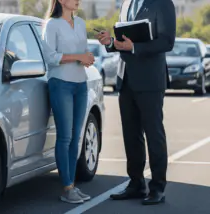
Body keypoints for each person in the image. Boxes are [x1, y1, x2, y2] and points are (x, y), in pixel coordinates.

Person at [96, 0, 176, 205]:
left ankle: (158, 188)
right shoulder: (125, 4)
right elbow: (125, 41)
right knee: (131, 135)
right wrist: (110, 42)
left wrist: (135, 47)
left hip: (150, 80)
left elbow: (167, 41)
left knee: (154, 134)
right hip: (126, 78)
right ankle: (136, 183)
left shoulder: (162, 3)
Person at [42, 0, 95, 204]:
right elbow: (50, 56)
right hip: (60, 84)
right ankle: (66, 188)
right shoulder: (52, 25)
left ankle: (72, 185)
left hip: (80, 85)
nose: (78, 0)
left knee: (76, 137)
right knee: (64, 137)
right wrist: (77, 57)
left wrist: (87, 57)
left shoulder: (80, 23)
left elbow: (84, 51)